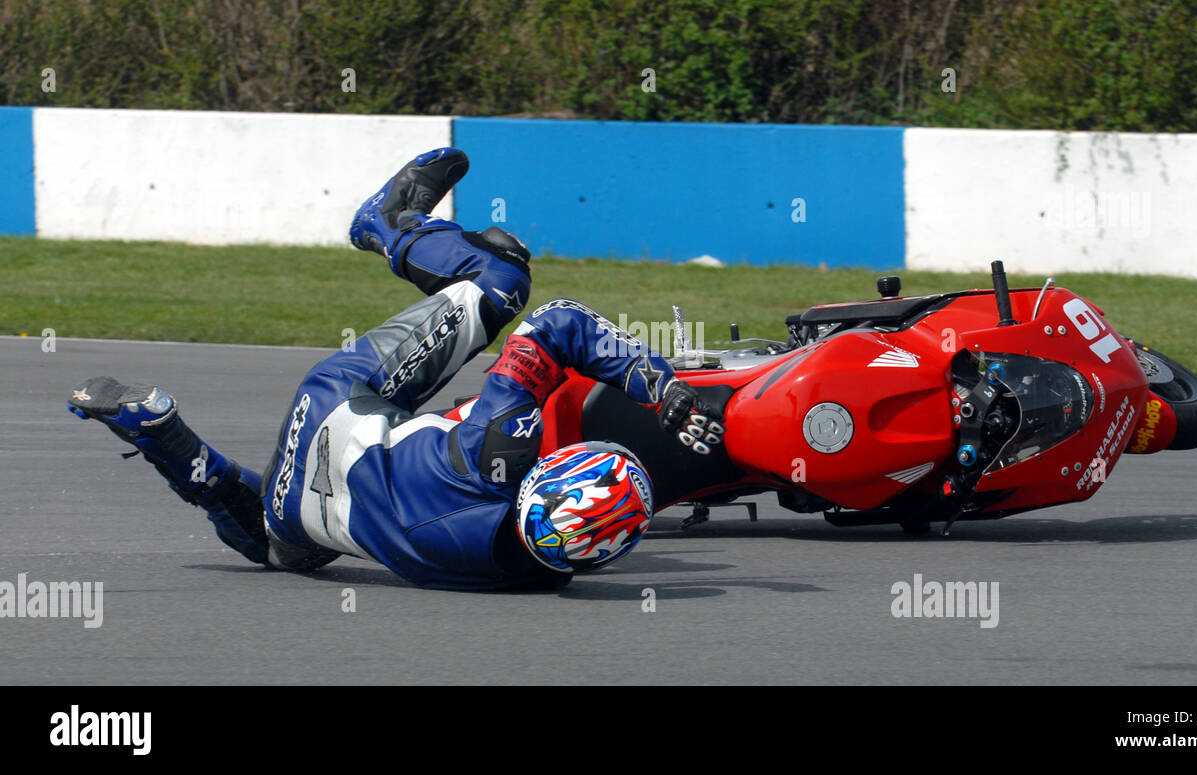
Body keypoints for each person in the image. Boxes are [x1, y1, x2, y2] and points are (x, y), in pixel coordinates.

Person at [67, 147, 725, 591]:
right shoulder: (538, 576)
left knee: (505, 279)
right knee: (276, 541)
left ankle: (387, 224)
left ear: (550, 470)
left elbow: (558, 324)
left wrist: (654, 381)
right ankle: (158, 429)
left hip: (334, 407)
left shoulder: (501, 439)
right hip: (305, 521)